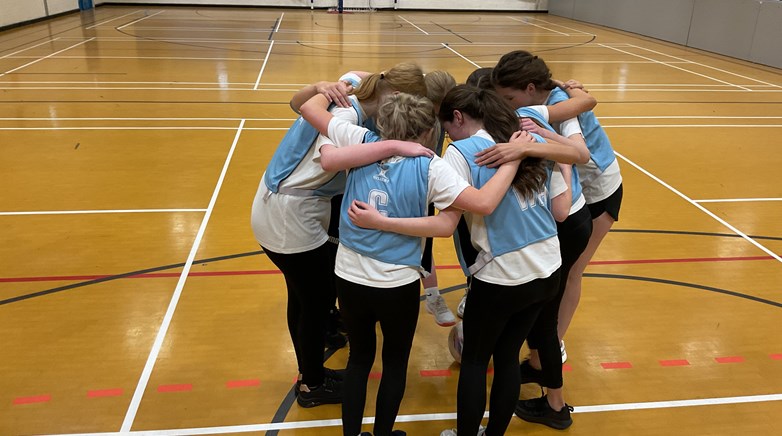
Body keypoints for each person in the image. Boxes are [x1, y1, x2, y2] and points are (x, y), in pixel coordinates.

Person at [350, 85, 580, 436]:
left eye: (447, 129)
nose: (446, 137)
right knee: (507, 358)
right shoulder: (525, 141)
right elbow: (561, 210)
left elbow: (449, 222)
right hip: (548, 267)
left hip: (503, 273)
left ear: (458, 118)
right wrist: (558, 162)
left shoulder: (461, 152)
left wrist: (382, 221)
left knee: (474, 360)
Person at [313, 92, 526, 436]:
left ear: (382, 123)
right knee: (394, 364)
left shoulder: (360, 141)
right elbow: (456, 219)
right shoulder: (432, 165)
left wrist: (338, 87)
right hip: (396, 282)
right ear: (429, 130)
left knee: (359, 360)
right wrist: (514, 159)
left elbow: (309, 110)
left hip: (349, 275)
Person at [250, 62, 428, 408]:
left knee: (304, 295)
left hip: (286, 202)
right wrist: (395, 146)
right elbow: (332, 160)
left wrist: (319, 86)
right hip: (289, 214)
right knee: (315, 302)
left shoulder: (355, 85)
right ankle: (312, 384)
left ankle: (311, 370)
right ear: (393, 95)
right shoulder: (345, 118)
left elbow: (306, 99)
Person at [492, 50, 623, 364]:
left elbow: (579, 148)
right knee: (559, 271)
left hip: (600, 190)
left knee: (573, 272)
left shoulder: (559, 107)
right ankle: (543, 343)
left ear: (530, 89)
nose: (508, 105)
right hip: (575, 188)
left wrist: (540, 136)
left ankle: (552, 349)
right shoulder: (550, 97)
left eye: (509, 98)